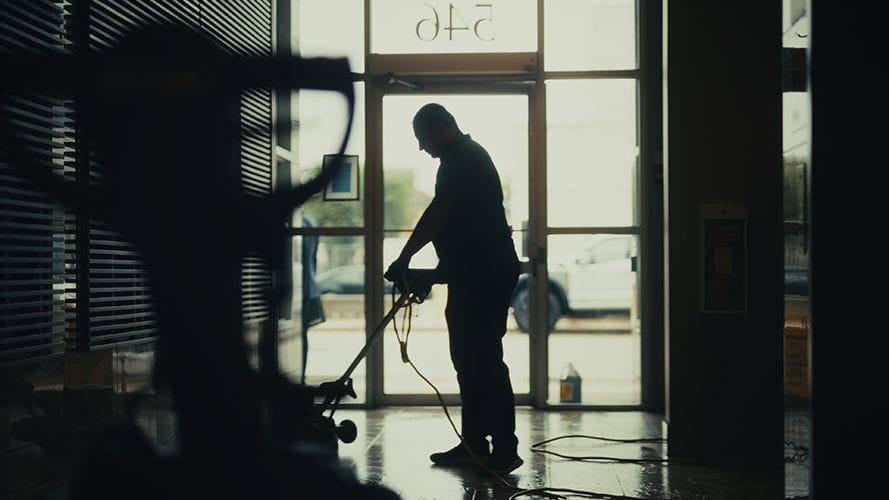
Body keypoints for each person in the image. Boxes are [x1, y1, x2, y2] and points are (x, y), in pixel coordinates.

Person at [385, 103, 522, 475]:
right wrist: (434, 273)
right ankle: (475, 441)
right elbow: (463, 231)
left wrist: (404, 257)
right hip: (475, 273)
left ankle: (505, 448)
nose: (421, 148)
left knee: (483, 360)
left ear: (440, 129)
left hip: (485, 275)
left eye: (422, 139)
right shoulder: (463, 159)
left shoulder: (461, 159)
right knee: (468, 359)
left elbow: (439, 215)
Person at [300, 213, 325, 384]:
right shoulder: (310, 222)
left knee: (297, 335)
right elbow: (312, 260)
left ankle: (299, 378)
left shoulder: (294, 222)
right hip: (309, 286)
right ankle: (300, 376)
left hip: (300, 287)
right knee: (301, 336)